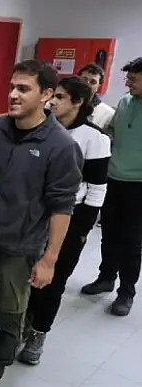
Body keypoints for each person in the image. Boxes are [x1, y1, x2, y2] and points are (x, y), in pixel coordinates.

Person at [0, 60, 82, 387]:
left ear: (46, 95)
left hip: (20, 245)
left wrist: (49, 260)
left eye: (23, 89)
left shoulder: (60, 145)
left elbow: (62, 207)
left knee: (9, 310)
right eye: (12, 86)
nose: (13, 94)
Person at [19, 77, 111, 363]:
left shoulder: (94, 138)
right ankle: (21, 325)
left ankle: (38, 333)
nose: (52, 102)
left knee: (53, 281)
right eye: (52, 96)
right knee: (25, 278)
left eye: (60, 97)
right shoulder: (42, 129)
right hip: (34, 217)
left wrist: (81, 228)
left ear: (78, 102)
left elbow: (97, 188)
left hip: (70, 219)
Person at [81, 57, 142, 316]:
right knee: (109, 233)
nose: (127, 83)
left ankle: (126, 292)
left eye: (133, 79)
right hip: (113, 179)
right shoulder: (125, 102)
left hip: (139, 185)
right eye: (128, 78)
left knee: (131, 241)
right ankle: (106, 277)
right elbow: (114, 133)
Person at [78, 63, 115, 130]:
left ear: (98, 86)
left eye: (93, 82)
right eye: (84, 79)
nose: (87, 84)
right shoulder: (65, 103)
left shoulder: (108, 114)